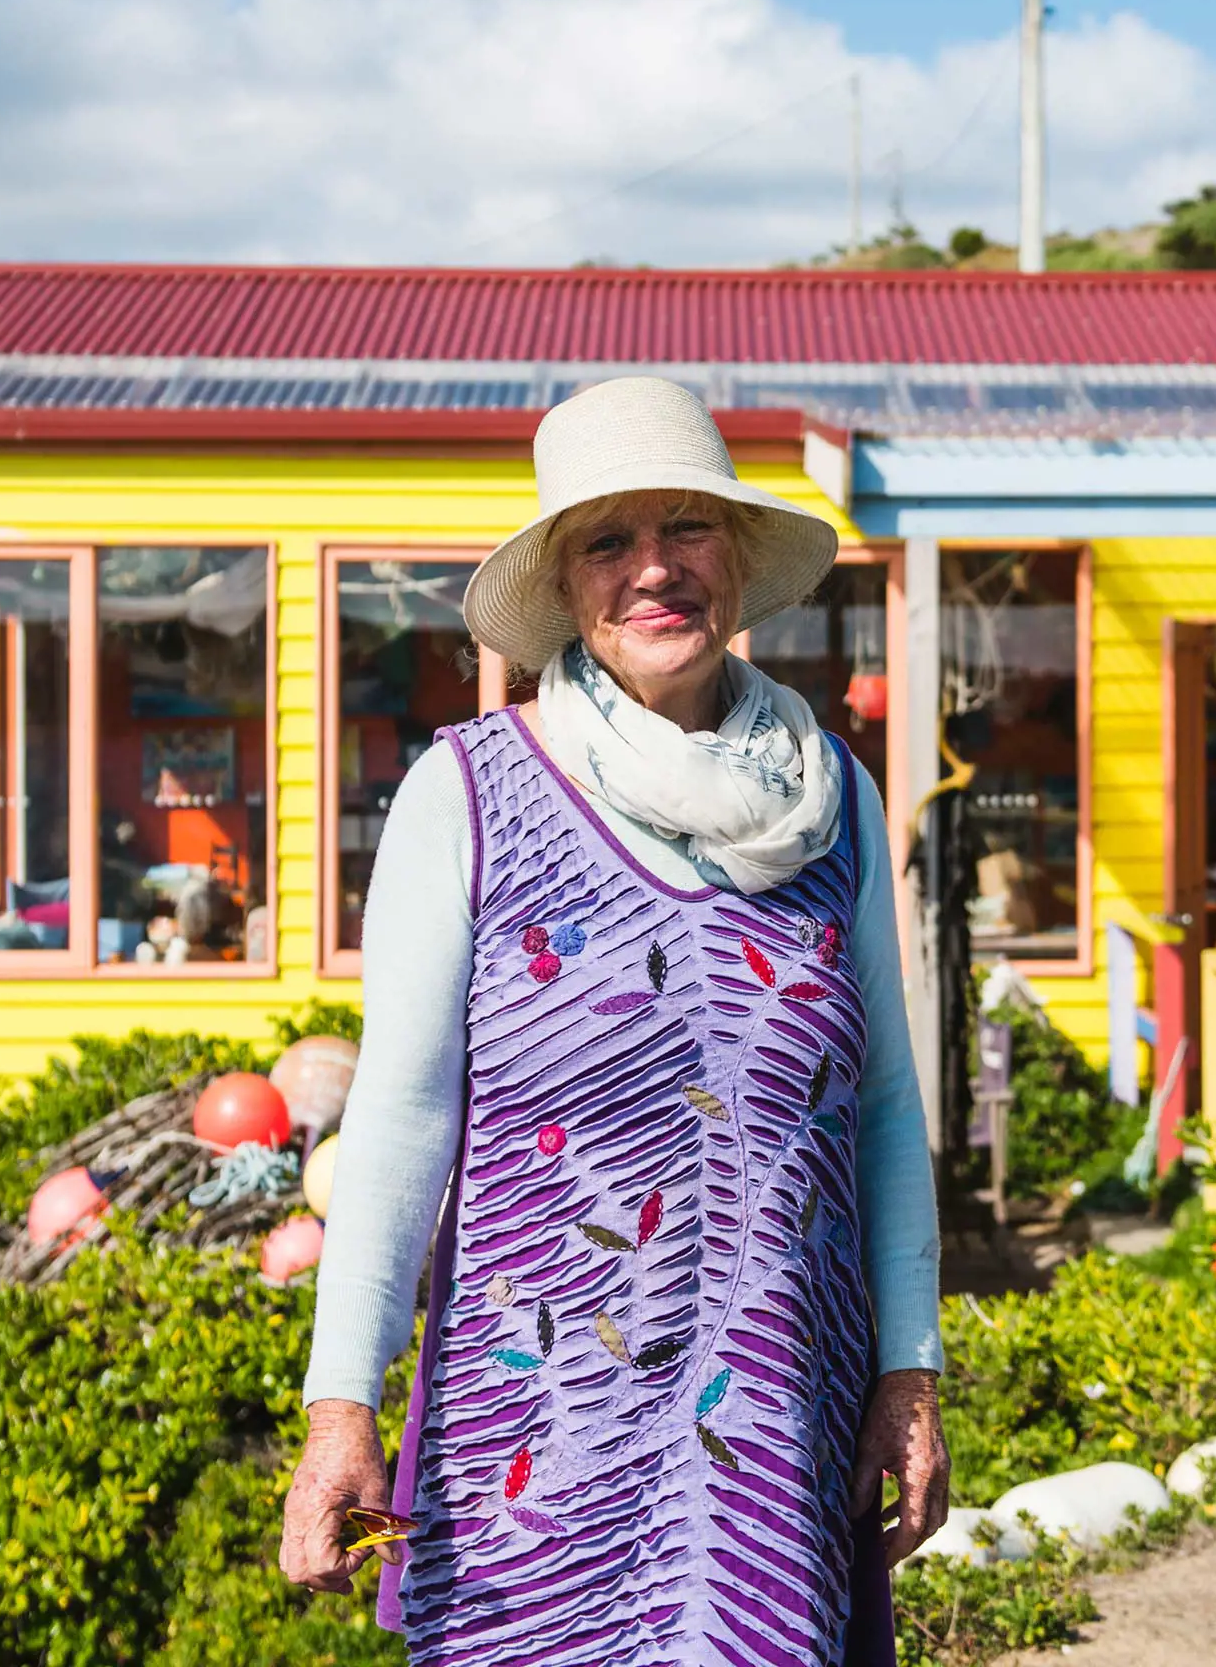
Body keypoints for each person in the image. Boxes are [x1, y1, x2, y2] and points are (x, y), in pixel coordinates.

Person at [281, 375, 948, 1665]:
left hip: (773, 1437)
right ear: (569, 587)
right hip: (534, 1460)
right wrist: (342, 1410)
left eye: (686, 529)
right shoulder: (466, 794)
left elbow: (882, 1112)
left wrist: (910, 1379)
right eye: (609, 540)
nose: (656, 570)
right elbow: (403, 1119)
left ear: (738, 562)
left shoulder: (837, 804)